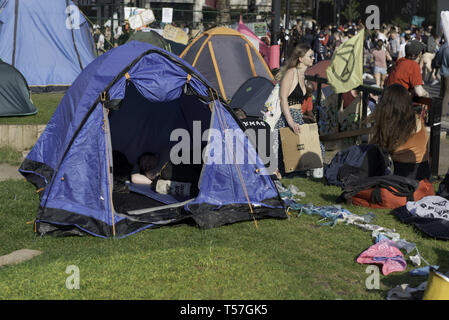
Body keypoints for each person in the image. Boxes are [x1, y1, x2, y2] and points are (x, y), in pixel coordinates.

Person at [275, 43, 324, 176]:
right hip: (287, 117)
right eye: (310, 56)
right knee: (287, 153)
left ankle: (308, 172)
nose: (313, 58)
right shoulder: (291, 72)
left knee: (317, 148)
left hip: (298, 116)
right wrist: (290, 122)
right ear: (301, 58)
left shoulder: (303, 75)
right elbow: (283, 98)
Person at [369, 84, 430, 181]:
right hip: (420, 177)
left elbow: (380, 146)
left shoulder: (389, 124)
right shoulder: (415, 120)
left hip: (404, 178)